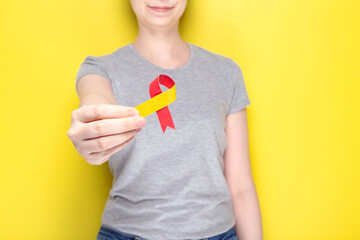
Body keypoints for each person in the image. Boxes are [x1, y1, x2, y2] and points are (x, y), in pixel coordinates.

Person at [67, 0, 263, 239]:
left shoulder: (226, 72)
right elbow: (95, 99)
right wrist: (94, 129)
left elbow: (241, 188)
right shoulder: (100, 69)